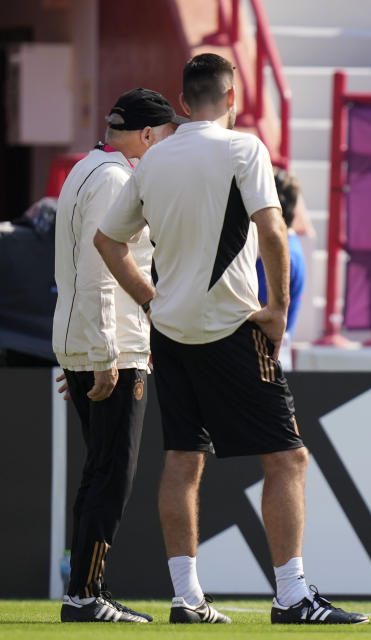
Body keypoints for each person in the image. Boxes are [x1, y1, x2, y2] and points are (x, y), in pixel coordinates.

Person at [93, 53, 367, 626]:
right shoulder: (244, 148)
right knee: (288, 458)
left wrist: (150, 300)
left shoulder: (154, 159)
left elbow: (108, 242)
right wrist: (278, 311)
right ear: (233, 96)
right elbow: (273, 229)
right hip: (231, 328)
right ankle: (292, 596)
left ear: (184, 102)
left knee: (182, 457)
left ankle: (186, 598)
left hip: (171, 332)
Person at [53, 88, 183, 624]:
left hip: (85, 341)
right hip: (115, 348)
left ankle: (84, 590)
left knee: (99, 470)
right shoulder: (113, 179)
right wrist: (102, 352)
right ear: (148, 135)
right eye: (165, 136)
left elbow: (75, 271)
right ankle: (86, 595)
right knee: (113, 475)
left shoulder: (86, 168)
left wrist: (80, 351)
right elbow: (104, 273)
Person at [255, 167, 306, 369]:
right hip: (274, 355)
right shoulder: (292, 248)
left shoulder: (280, 255)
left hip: (264, 357)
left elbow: (256, 309)